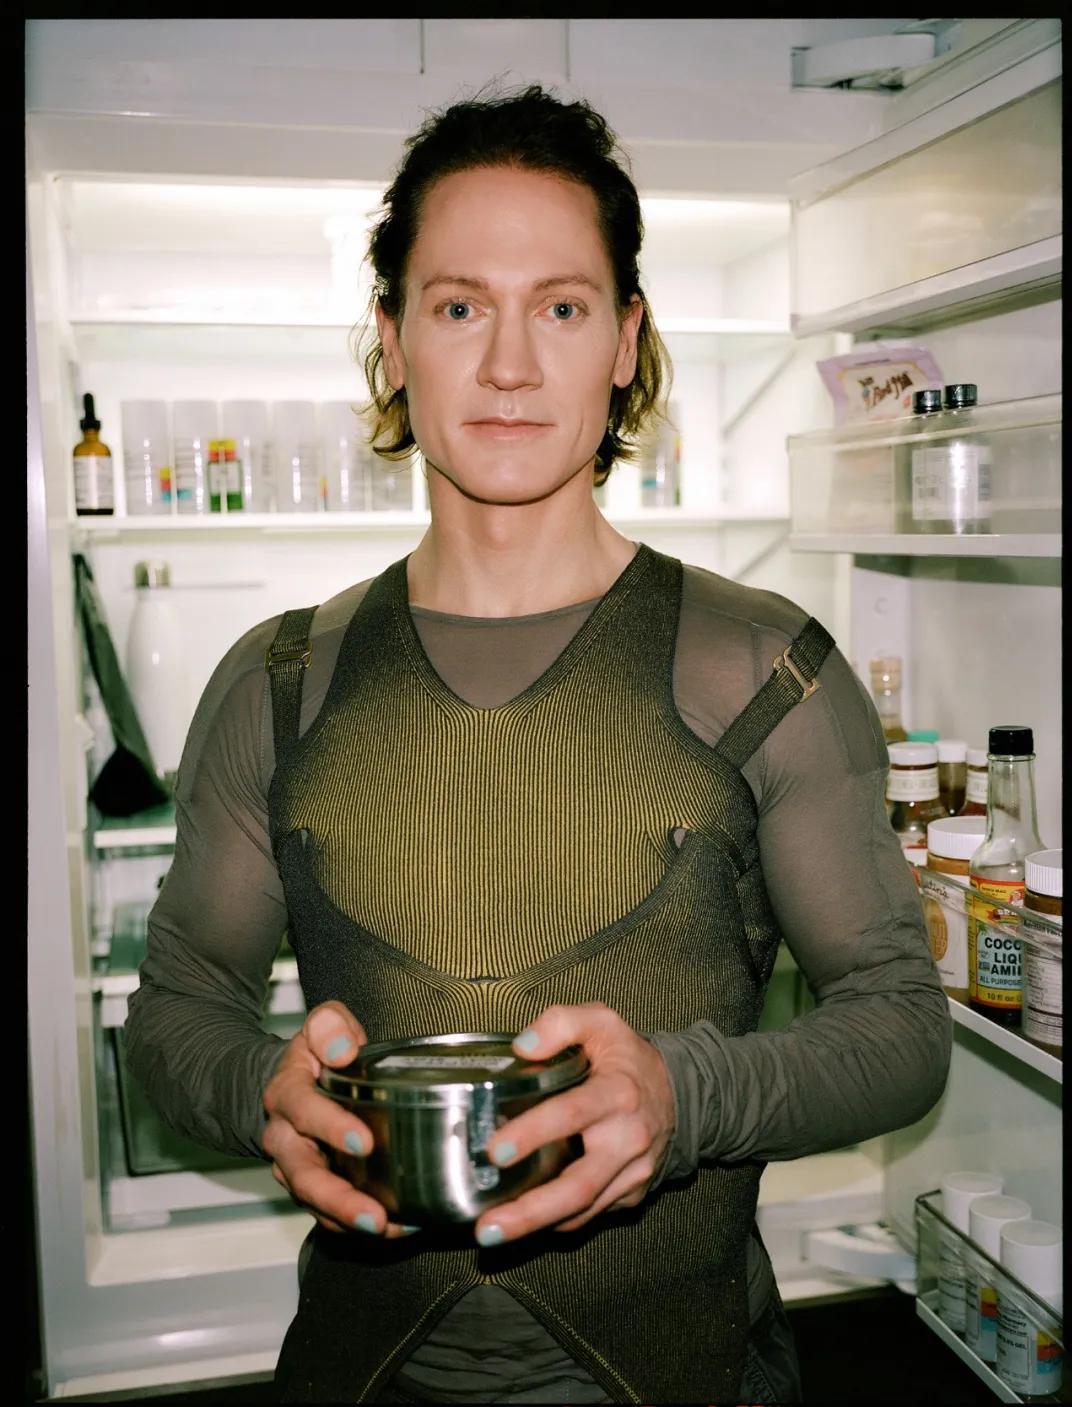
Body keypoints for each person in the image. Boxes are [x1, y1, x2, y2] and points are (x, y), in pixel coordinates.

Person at [125, 82, 952, 1405]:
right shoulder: (277, 685)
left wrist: (683, 1097)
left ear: (626, 339)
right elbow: (177, 1010)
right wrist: (255, 1091)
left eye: (561, 308)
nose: (510, 365)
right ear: (393, 340)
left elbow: (901, 1024)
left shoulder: (765, 667)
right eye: (460, 307)